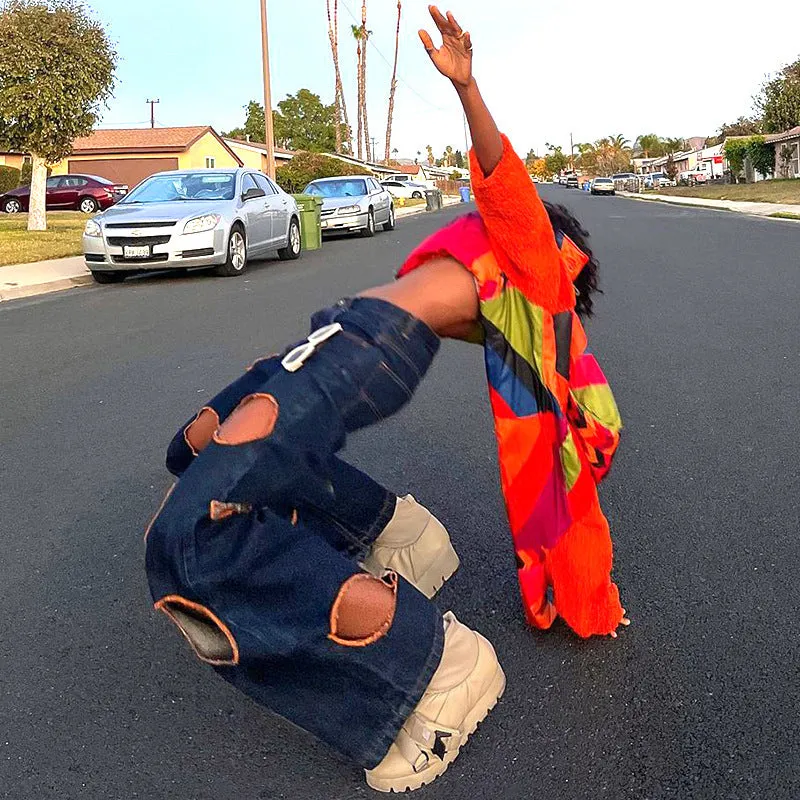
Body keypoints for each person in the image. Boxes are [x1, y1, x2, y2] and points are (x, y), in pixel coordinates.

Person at [144, 6, 624, 794]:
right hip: (334, 339)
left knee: (189, 541)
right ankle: (394, 533)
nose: (486, 211)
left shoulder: (533, 261)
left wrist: (469, 90)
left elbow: (503, 176)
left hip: (365, 353)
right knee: (192, 447)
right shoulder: (490, 268)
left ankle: (433, 663)